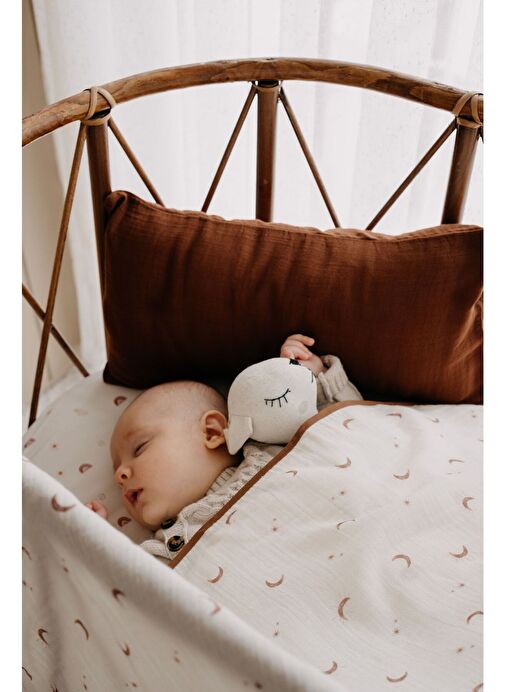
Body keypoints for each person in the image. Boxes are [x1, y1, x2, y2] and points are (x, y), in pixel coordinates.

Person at [86, 334, 362, 560]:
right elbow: (130, 589)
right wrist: (94, 543)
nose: (120, 475)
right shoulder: (164, 550)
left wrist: (310, 376)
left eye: (139, 448)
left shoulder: (273, 449)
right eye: (117, 467)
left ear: (212, 431)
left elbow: (347, 430)